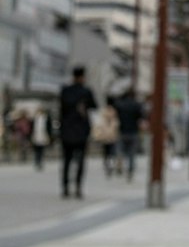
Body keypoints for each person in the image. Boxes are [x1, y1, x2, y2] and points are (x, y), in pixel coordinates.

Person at [59, 66, 97, 199]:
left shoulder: (65, 91)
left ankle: (65, 188)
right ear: (82, 77)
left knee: (66, 160)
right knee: (80, 161)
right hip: (81, 130)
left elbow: (61, 110)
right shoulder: (86, 92)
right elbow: (94, 106)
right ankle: (78, 187)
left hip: (67, 130)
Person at [114, 89, 146, 181]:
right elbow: (141, 117)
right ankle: (130, 170)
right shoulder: (137, 105)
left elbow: (116, 116)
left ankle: (119, 161)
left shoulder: (120, 105)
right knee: (132, 153)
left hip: (122, 130)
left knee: (120, 149)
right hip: (133, 131)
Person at [92, 97, 121, 176]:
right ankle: (111, 164)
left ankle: (106, 164)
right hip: (112, 135)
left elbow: (98, 124)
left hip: (104, 135)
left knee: (106, 152)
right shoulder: (115, 112)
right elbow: (117, 124)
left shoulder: (103, 111)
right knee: (112, 152)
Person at [30, 106, 52, 170]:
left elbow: (49, 128)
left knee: (41, 150)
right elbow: (32, 128)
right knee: (36, 150)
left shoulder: (46, 118)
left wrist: (49, 136)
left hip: (43, 135)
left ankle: (40, 161)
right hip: (36, 135)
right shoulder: (35, 118)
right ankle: (37, 161)